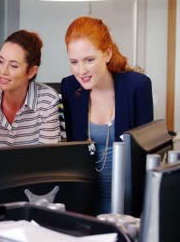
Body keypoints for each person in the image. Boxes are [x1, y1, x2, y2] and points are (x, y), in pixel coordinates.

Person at [61, 16, 153, 213]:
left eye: (89, 60)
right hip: (85, 203)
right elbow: (73, 151)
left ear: (107, 54)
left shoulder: (137, 86)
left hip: (129, 205)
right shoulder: (70, 88)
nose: (81, 70)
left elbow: (145, 156)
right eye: (74, 62)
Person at [0, 30, 61, 148]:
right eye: (1, 61)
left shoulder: (47, 100)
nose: (3, 71)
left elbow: (48, 157)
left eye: (13, 65)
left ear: (31, 71)